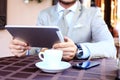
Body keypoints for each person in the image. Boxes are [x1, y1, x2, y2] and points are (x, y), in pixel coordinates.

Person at [9, 0, 117, 61]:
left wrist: (79, 49)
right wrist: (24, 49)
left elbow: (110, 47)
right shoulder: (44, 14)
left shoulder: (93, 14)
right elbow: (37, 48)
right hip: (46, 74)